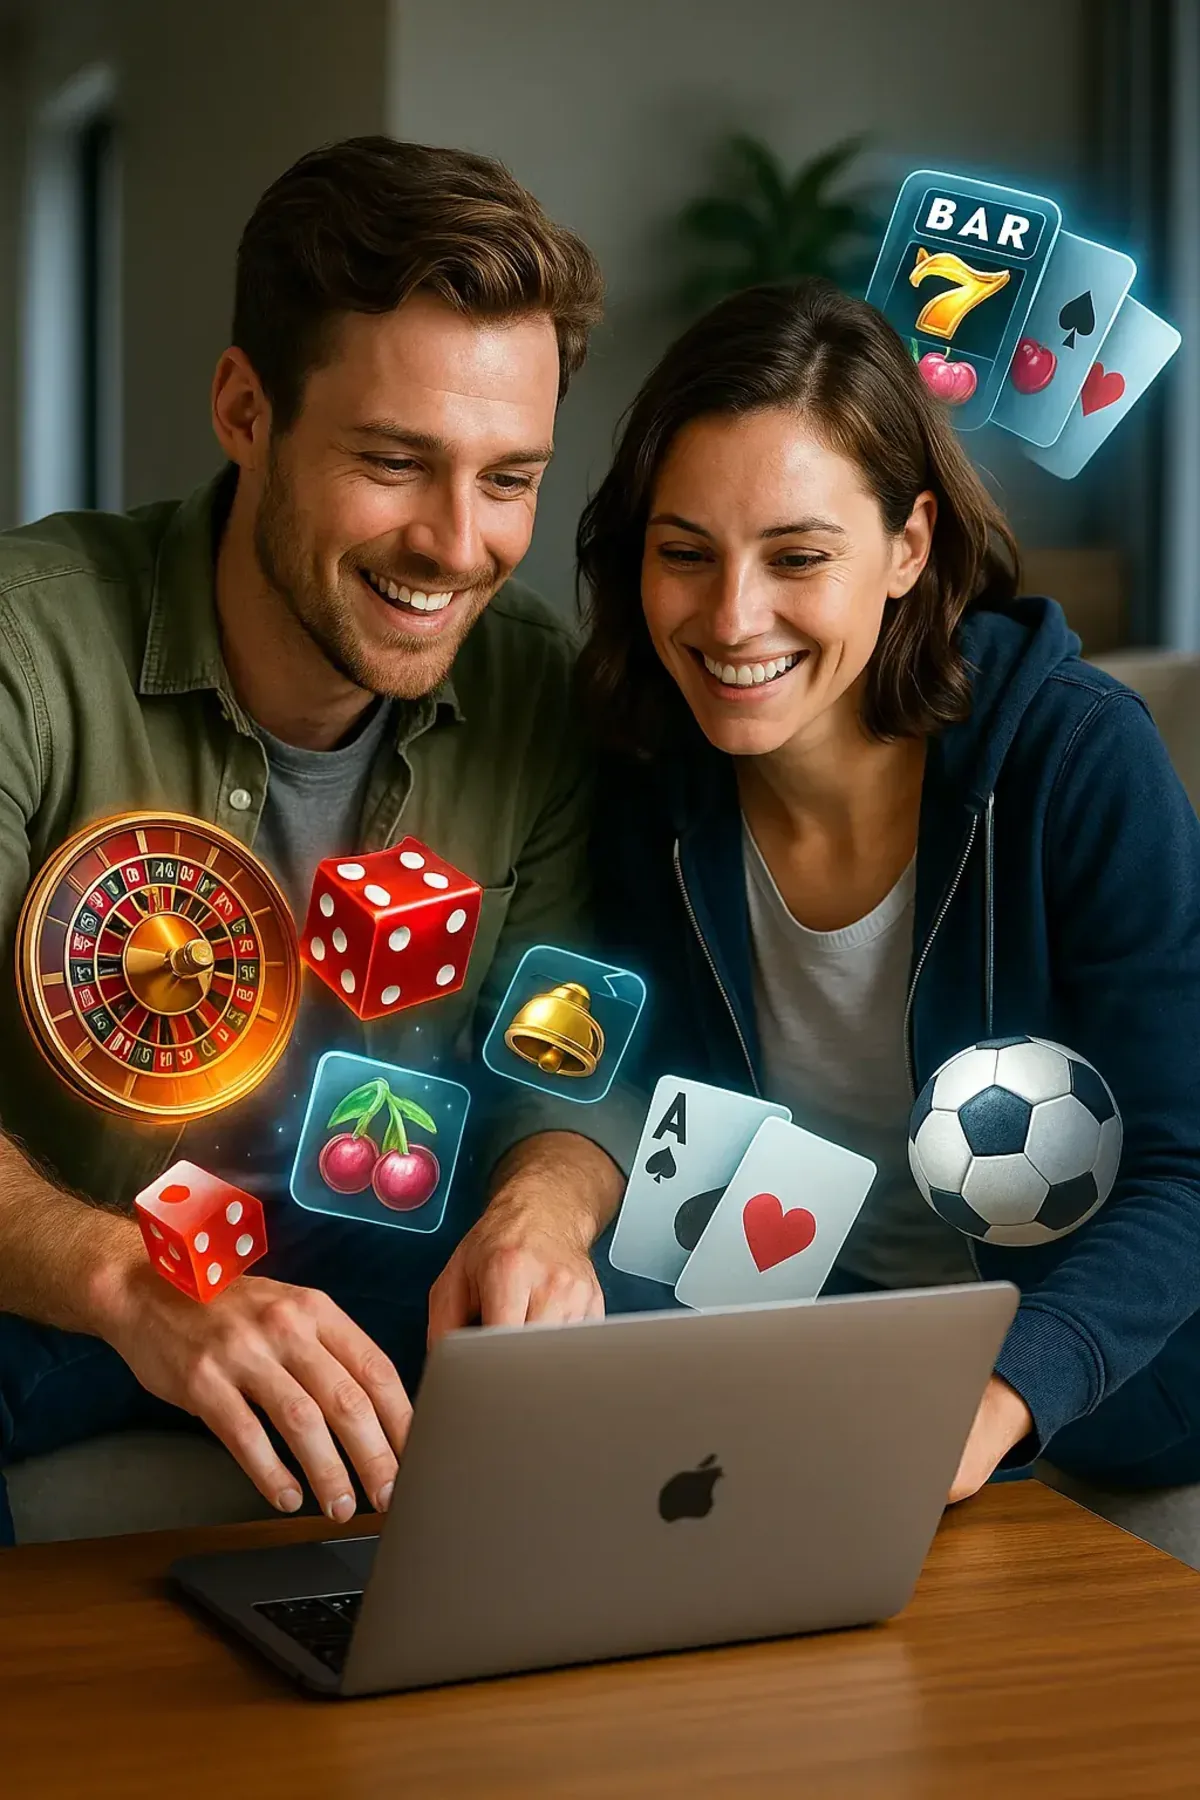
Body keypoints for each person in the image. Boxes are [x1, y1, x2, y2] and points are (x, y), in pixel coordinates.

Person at [0, 136, 632, 1545]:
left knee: (645, 1311)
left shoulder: (535, 683)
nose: (457, 544)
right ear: (243, 408)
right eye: (396, 462)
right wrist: (139, 1286)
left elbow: (573, 1062)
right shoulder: (26, 648)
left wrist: (545, 1210)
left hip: (366, 1258)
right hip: (55, 1270)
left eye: (510, 478)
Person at [576, 276, 1200, 1504]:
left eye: (798, 555)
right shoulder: (639, 783)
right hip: (780, 1377)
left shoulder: (1077, 760)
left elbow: (1190, 1167)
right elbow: (640, 1119)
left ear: (910, 545)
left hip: (1083, 1401)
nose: (731, 617)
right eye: (683, 554)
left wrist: (989, 1405)